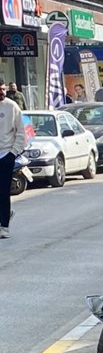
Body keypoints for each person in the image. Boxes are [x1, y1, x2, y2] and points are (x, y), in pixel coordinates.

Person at [0, 87, 27, 239]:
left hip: (6, 154)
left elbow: (21, 132)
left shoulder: (12, 107)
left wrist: (13, 153)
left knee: (3, 192)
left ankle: (4, 227)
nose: (2, 93)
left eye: (3, 90)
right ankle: (6, 213)